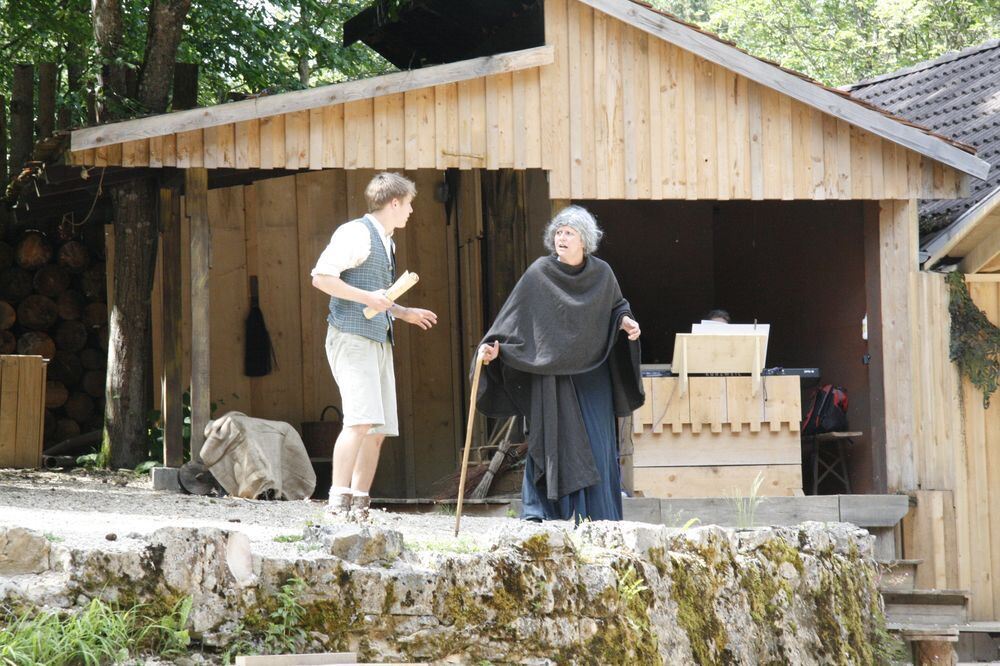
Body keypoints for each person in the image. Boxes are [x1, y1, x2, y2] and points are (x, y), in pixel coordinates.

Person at [475, 206, 644, 523]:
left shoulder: (602, 274)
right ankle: (545, 513)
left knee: (597, 444)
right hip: (551, 375)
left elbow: (617, 307)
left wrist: (625, 322)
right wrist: (495, 350)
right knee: (550, 442)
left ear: (585, 240)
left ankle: (600, 518)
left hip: (592, 375)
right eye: (558, 232)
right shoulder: (540, 273)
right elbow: (513, 320)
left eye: (569, 232)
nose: (561, 237)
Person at [311, 172, 438, 516]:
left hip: (378, 339)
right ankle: (337, 503)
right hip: (351, 337)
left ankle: (359, 502)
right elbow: (322, 278)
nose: (411, 211)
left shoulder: (388, 241)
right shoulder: (356, 233)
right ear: (394, 203)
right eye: (409, 204)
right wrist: (369, 296)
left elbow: (378, 298)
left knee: (377, 429)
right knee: (358, 420)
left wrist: (404, 311)